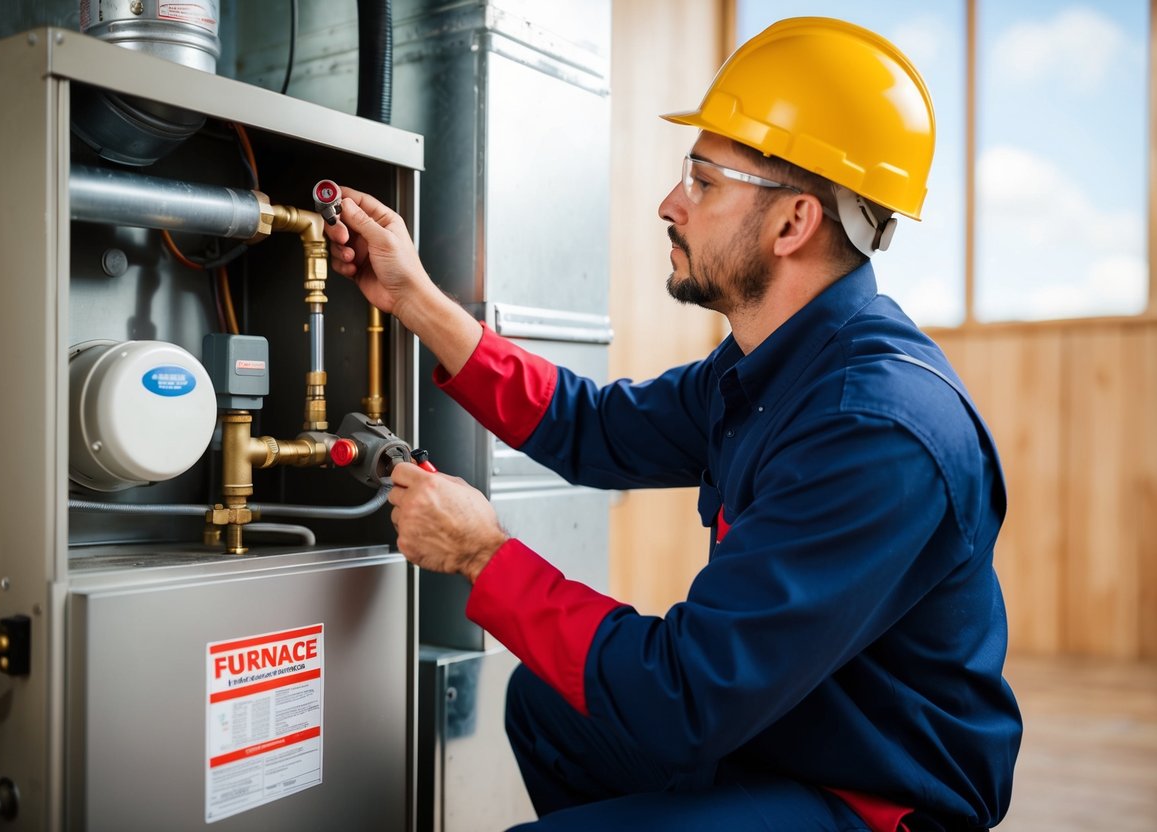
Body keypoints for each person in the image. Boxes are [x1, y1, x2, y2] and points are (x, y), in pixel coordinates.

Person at [326, 16, 1021, 832]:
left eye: (702, 181)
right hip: (786, 735)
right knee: (550, 704)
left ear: (792, 223)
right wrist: (415, 298)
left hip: (872, 799)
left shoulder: (874, 433)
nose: (669, 204)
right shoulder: (774, 364)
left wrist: (481, 554)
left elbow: (684, 697)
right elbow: (592, 426)